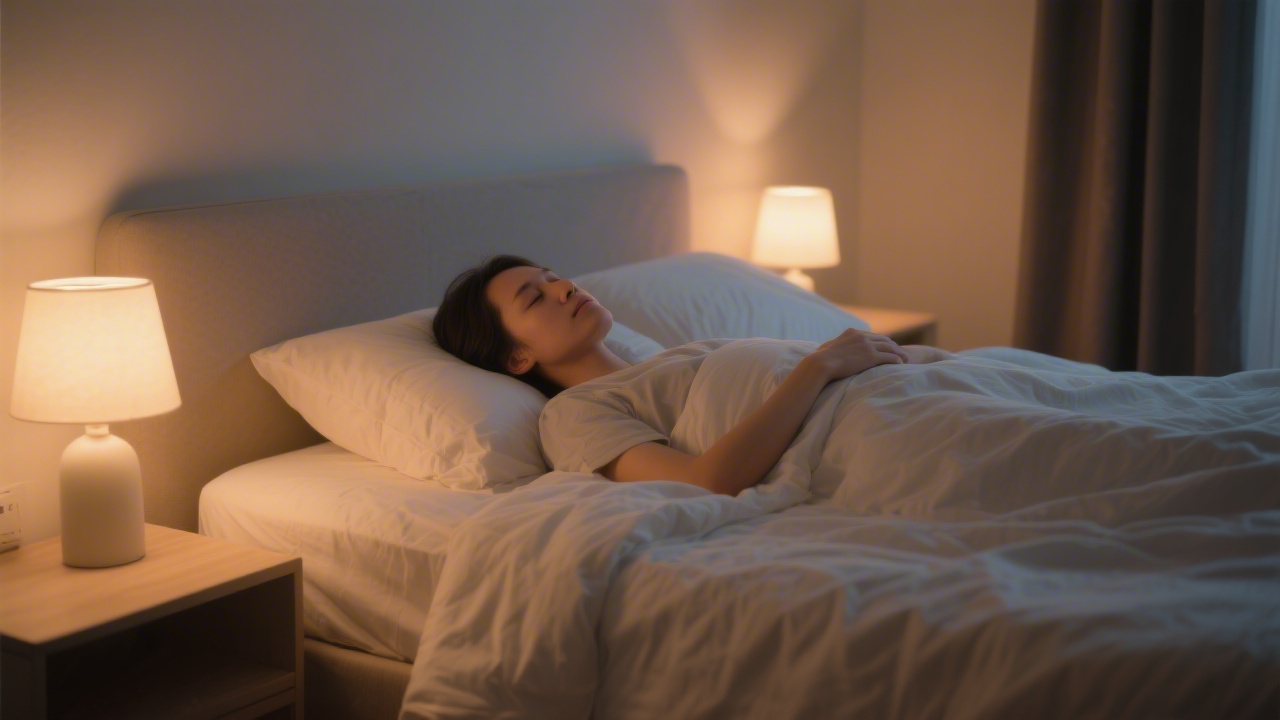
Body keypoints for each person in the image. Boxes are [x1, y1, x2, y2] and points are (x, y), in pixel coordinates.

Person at [433, 255, 953, 496]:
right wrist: (817, 367)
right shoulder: (572, 414)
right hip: (861, 433)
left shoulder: (670, 360)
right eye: (535, 297)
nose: (565, 286)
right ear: (516, 359)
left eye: (553, 276)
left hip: (892, 393)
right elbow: (706, 481)